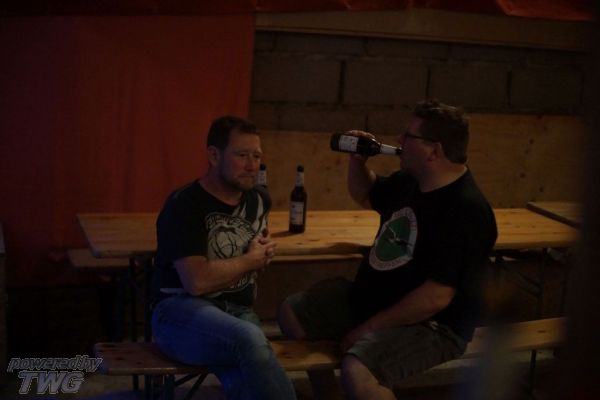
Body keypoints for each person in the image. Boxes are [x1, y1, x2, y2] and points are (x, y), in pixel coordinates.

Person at [278, 99, 498, 400]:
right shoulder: (410, 181)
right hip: (376, 301)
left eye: (409, 135)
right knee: (294, 312)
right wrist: (357, 162)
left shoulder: (467, 208)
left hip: (433, 325)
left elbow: (435, 297)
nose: (399, 139)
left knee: (359, 370)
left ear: (434, 151)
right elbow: (364, 193)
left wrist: (368, 328)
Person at [151, 116, 297, 400]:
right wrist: (251, 260)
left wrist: (262, 252)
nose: (252, 165)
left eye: (257, 156)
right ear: (214, 156)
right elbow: (197, 282)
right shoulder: (185, 204)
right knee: (250, 341)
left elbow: (250, 255)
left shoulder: (258, 200)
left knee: (248, 379)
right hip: (179, 312)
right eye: (242, 155)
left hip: (237, 311)